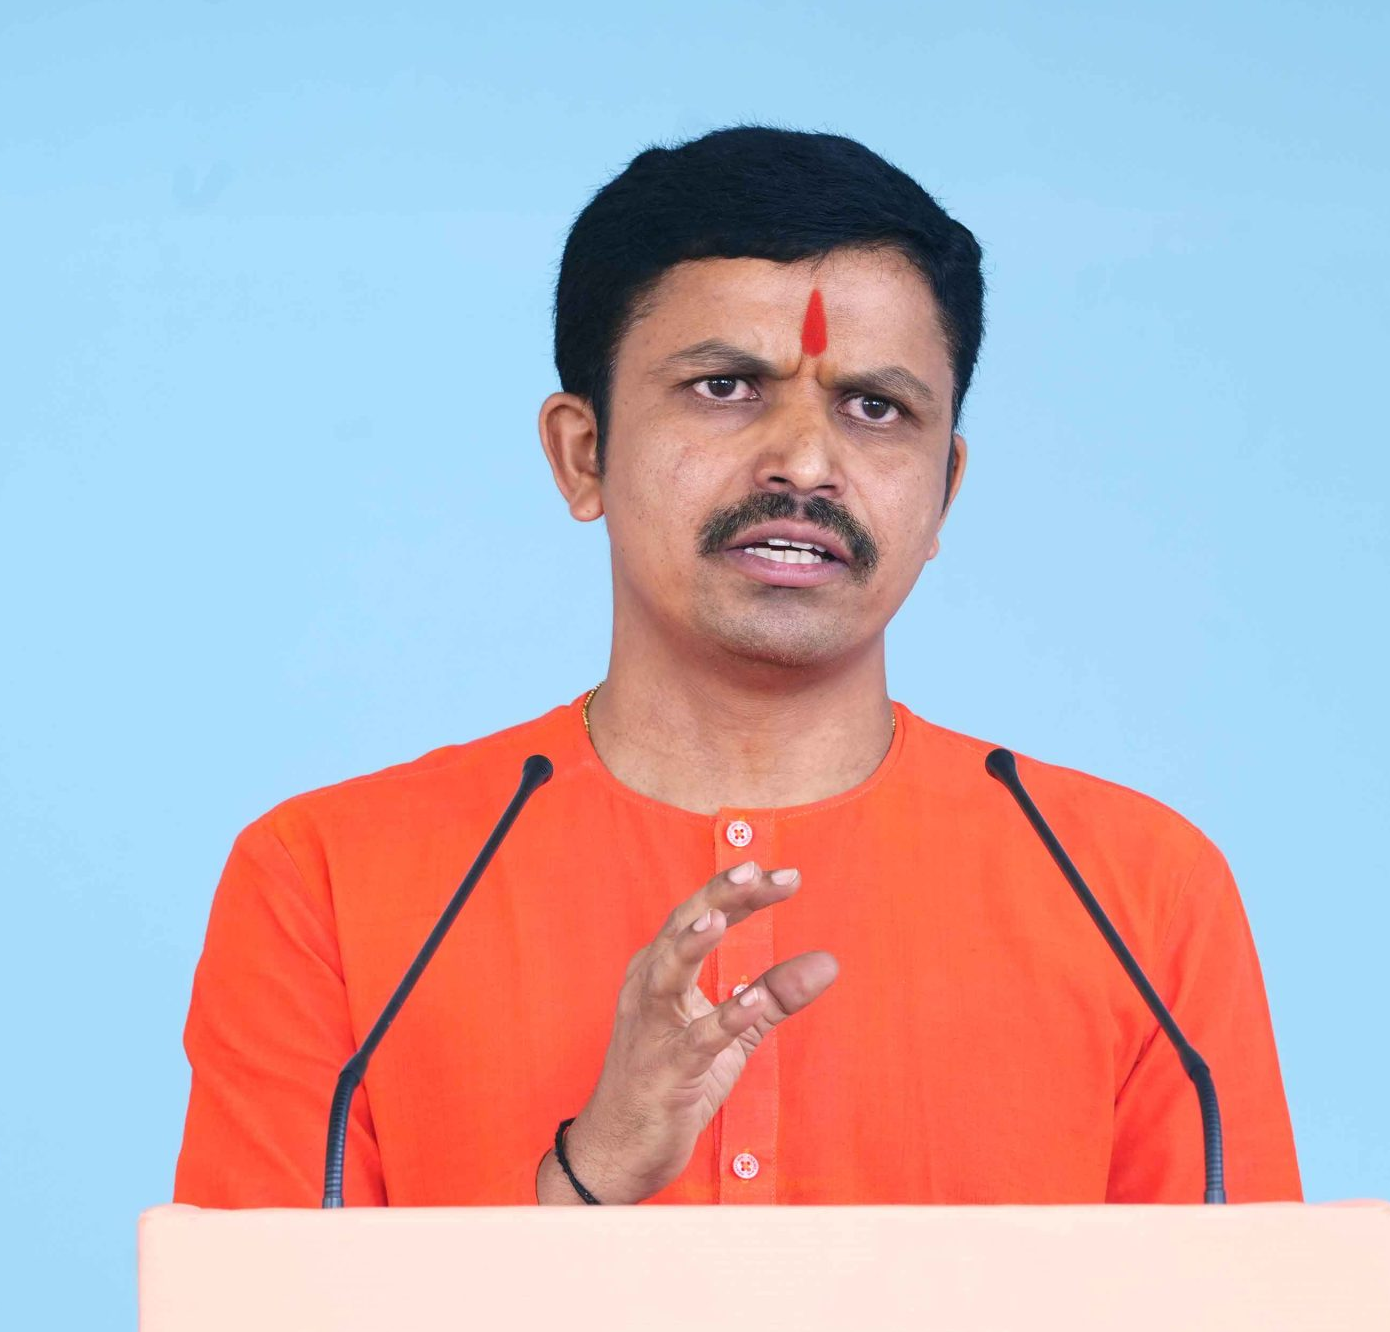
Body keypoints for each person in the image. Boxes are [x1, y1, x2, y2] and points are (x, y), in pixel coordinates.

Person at [173, 125, 1302, 1208]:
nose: (805, 462)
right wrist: (589, 1176)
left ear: (943, 491)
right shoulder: (333, 884)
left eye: (875, 407)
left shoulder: (1135, 898)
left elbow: (1250, 1301)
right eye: (725, 387)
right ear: (583, 453)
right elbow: (253, 1302)